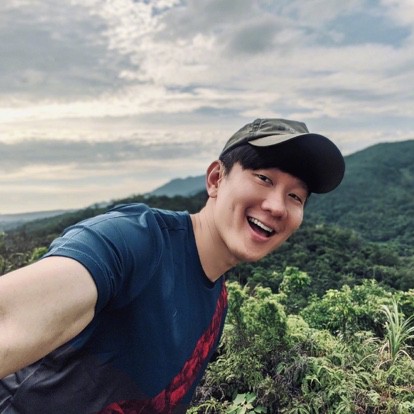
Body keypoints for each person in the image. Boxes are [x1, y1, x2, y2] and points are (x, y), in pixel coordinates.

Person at [0, 118, 345, 414]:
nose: (277, 207)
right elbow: (10, 318)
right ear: (216, 179)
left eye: (295, 196)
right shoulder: (133, 241)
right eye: (264, 178)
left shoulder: (217, 298)